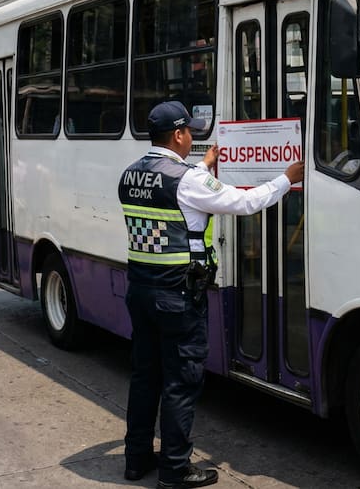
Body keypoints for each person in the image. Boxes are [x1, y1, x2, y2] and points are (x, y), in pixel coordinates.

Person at [119, 101, 303, 489]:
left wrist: (204, 166)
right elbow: (245, 202)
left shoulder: (131, 174)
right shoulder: (187, 180)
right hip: (178, 298)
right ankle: (174, 469)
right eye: (190, 132)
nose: (193, 138)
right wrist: (287, 178)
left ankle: (136, 458)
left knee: (145, 377)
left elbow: (178, 197)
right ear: (179, 135)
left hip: (141, 291)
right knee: (180, 383)